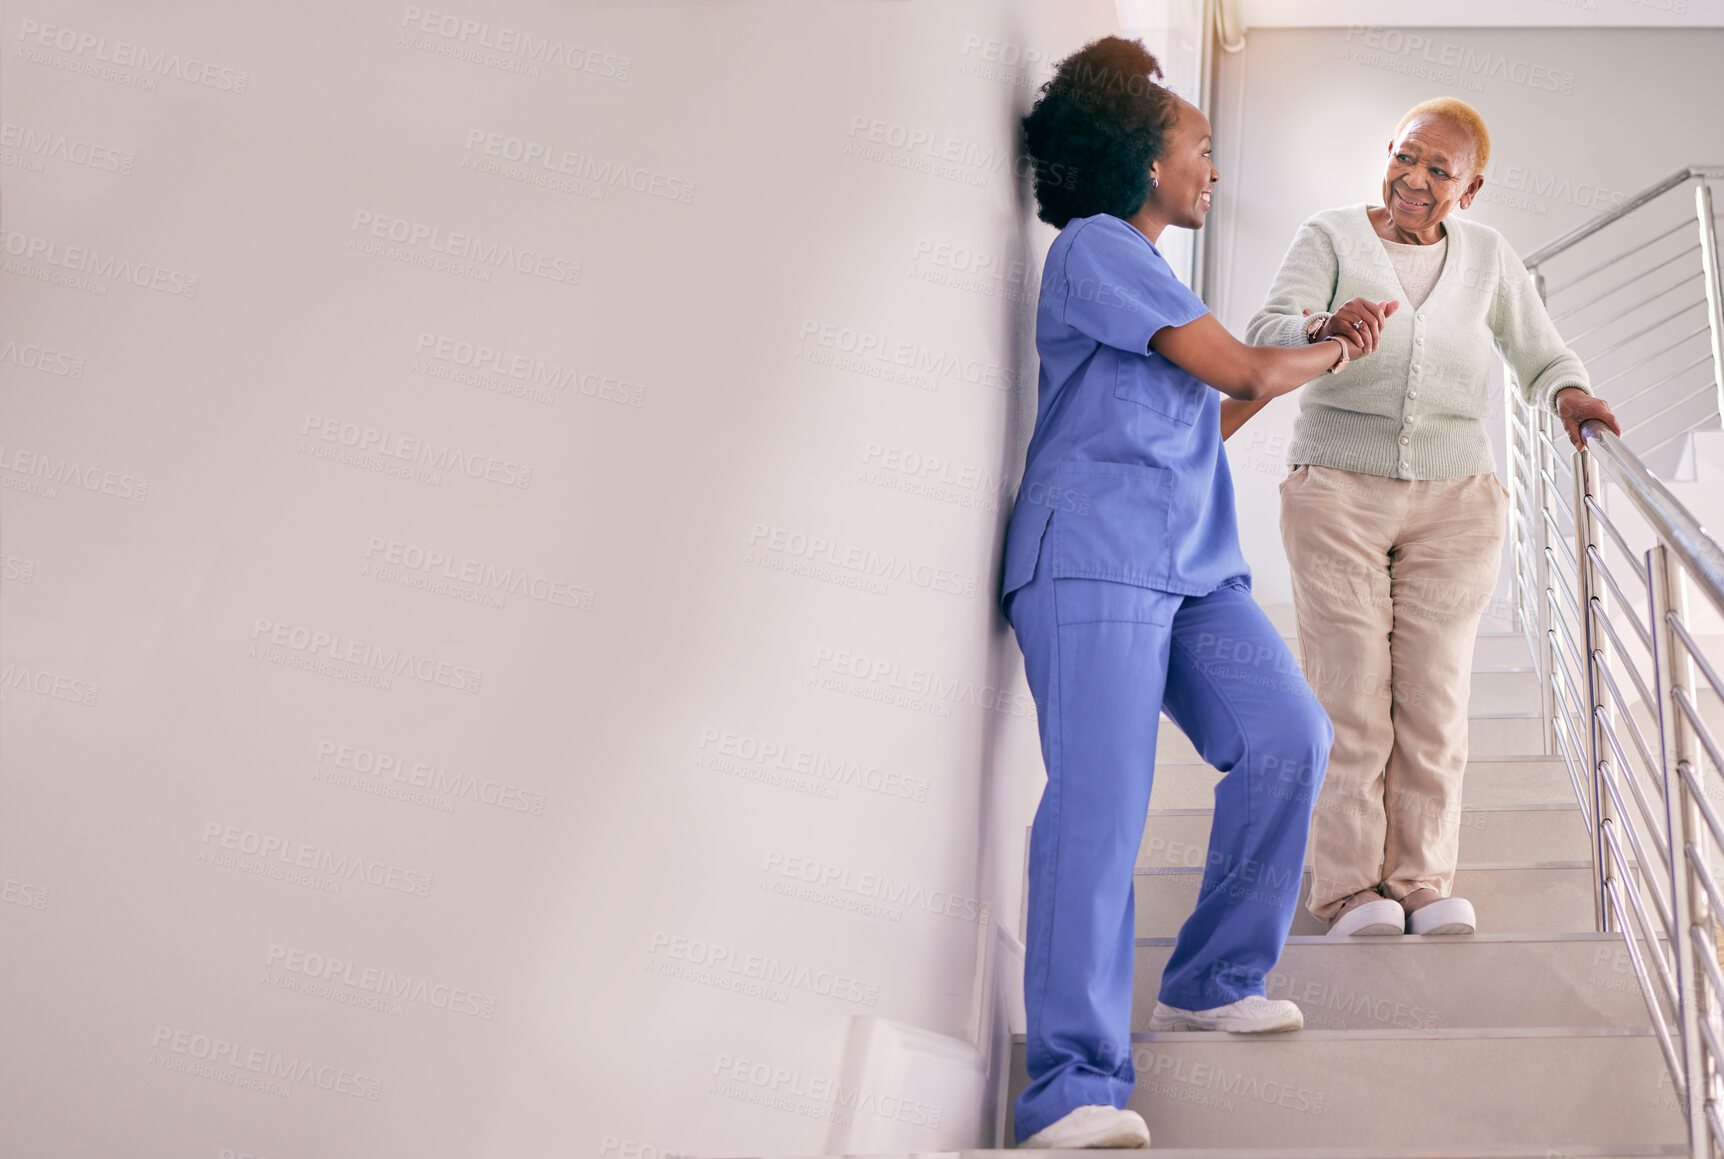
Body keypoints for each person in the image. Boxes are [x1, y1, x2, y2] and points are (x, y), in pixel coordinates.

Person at [1000, 36, 1382, 1150]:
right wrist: (1331, 351)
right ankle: (1068, 1087)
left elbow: (1214, 414)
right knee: (1100, 807)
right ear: (1142, 161)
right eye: (1199, 151)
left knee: (1286, 739)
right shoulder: (1097, 248)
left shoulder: (1160, 281)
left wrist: (1302, 353)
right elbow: (1247, 370)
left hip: (1190, 566)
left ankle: (1210, 977)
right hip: (1092, 560)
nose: (1212, 172)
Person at [1240, 97, 1622, 939]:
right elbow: (1268, 329)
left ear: (1470, 188)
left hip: (1457, 502)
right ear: (1389, 151)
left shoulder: (1487, 258)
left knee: (1436, 698)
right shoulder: (1332, 236)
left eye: (1438, 170)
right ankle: (1348, 889)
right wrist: (1323, 324)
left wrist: (1571, 394)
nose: (1414, 178)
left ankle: (1419, 880)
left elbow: (1540, 353)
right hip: (1337, 488)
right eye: (1406, 157)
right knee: (1351, 694)